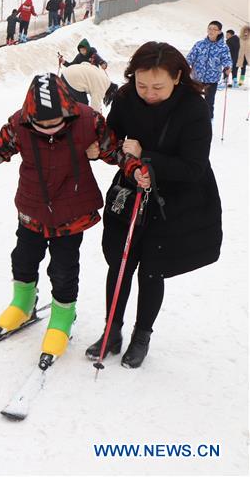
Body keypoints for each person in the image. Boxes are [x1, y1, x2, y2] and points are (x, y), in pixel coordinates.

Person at [0, 73, 137, 363]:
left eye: (56, 122)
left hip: (71, 214)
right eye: (42, 124)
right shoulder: (19, 124)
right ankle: (23, 304)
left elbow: (114, 152)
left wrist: (128, 164)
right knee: (23, 258)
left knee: (63, 269)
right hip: (32, 209)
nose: (50, 128)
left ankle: (63, 317)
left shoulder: (88, 121)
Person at [86, 41, 221, 368]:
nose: (148, 93)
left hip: (172, 201)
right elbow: (113, 140)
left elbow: (194, 168)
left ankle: (141, 336)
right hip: (130, 193)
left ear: (177, 77)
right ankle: (111, 330)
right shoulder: (126, 98)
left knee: (151, 269)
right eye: (141, 84)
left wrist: (145, 156)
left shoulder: (194, 108)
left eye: (157, 87)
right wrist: (99, 147)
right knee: (120, 265)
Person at [185, 21, 232, 119]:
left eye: (214, 29)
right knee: (193, 100)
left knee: (209, 102)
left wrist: (227, 67)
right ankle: (192, 120)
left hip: (212, 79)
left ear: (219, 32)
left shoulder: (223, 47)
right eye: (209, 28)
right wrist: (184, 66)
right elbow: (190, 57)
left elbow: (226, 59)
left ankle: (208, 121)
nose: (211, 31)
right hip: (197, 77)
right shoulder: (199, 44)